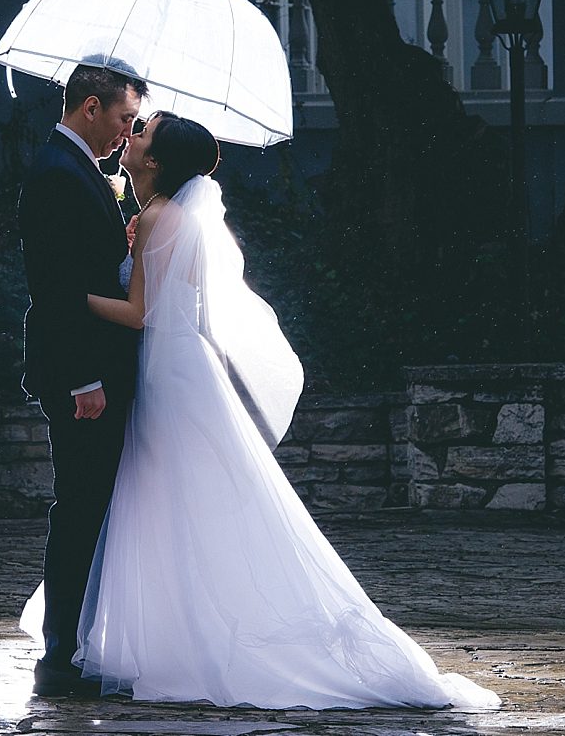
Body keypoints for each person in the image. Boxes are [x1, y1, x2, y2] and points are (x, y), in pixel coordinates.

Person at [68, 110, 503, 711]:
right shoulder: (177, 221)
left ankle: (174, 638)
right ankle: (197, 631)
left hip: (164, 373)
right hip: (189, 368)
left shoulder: (153, 218)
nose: (133, 134)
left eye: (142, 134)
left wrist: (73, 298)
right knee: (196, 497)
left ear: (155, 162)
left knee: (162, 497)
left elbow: (139, 313)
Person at [17, 63, 147, 698]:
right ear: (90, 108)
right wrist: (82, 381)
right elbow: (57, 291)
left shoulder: (84, 173)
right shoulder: (55, 176)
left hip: (95, 370)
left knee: (90, 506)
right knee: (79, 510)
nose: (128, 133)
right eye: (125, 120)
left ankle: (74, 644)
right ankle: (58, 656)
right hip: (83, 379)